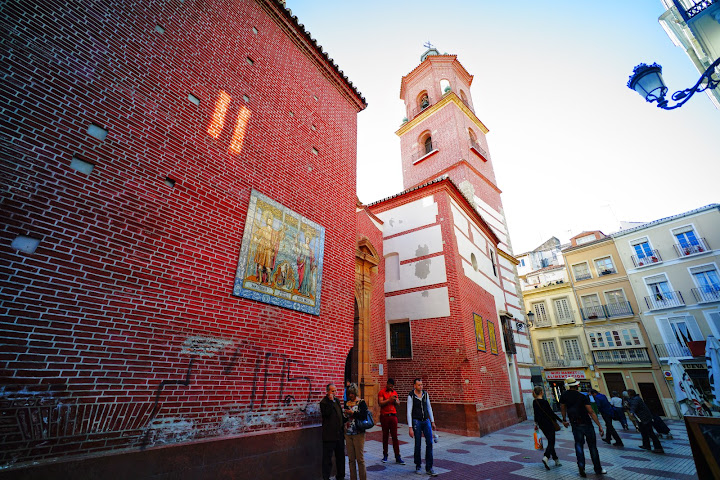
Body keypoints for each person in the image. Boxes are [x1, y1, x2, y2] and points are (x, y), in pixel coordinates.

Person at [559, 377, 607, 478]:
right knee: (592, 447)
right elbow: (591, 411)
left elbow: (562, 408)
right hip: (587, 423)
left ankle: (581, 466)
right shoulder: (583, 396)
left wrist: (564, 419)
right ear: (577, 385)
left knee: (578, 445)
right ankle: (598, 469)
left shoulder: (564, 396)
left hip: (575, 424)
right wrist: (599, 425)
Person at [407, 378, 438, 477]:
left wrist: (432, 421)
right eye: (419, 385)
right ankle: (418, 465)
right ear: (414, 386)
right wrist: (410, 427)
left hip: (426, 420)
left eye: (421, 384)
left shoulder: (425, 394)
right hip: (416, 421)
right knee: (418, 443)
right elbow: (409, 412)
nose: (421, 386)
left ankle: (429, 467)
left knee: (429, 442)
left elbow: (429, 407)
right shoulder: (411, 396)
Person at [532, 386, 563, 470]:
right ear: (541, 392)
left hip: (541, 424)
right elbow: (551, 413)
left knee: (550, 440)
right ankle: (546, 457)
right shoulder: (545, 402)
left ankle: (556, 459)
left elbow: (536, 414)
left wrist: (535, 424)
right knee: (551, 441)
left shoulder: (534, 402)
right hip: (549, 423)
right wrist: (561, 421)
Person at [320, 383, 346, 480]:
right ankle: (326, 477)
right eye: (332, 391)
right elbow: (326, 414)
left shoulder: (337, 401)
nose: (334, 393)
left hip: (339, 434)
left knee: (340, 457)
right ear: (327, 392)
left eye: (335, 391)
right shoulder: (324, 402)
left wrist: (345, 418)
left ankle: (341, 476)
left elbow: (339, 414)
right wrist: (330, 402)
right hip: (329, 435)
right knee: (327, 459)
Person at [627, 389, 664, 454]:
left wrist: (631, 412)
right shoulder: (635, 398)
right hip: (641, 418)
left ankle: (658, 448)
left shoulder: (636, 399)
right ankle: (646, 445)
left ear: (630, 393)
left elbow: (634, 406)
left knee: (650, 433)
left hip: (644, 418)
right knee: (643, 432)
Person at [343, 384, 368, 480]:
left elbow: (364, 416)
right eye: (349, 394)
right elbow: (345, 418)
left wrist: (353, 413)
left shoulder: (361, 402)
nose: (351, 396)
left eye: (352, 393)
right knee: (351, 459)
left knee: (360, 459)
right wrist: (345, 415)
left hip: (359, 433)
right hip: (348, 433)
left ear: (355, 393)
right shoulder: (347, 403)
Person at [378, 378, 405, 464]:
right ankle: (385, 455)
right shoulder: (382, 392)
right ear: (387, 384)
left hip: (393, 416)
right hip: (385, 416)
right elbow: (380, 403)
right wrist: (389, 400)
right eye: (390, 385)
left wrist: (396, 401)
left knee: (395, 437)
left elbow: (398, 403)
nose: (391, 387)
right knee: (385, 436)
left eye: (392, 386)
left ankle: (397, 456)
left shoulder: (394, 392)